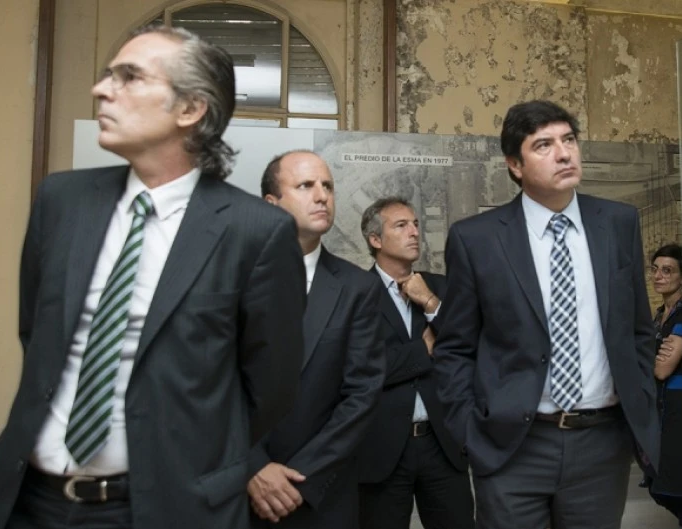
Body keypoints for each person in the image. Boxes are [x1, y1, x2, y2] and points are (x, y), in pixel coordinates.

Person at [0, 25, 306, 529]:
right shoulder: (61, 201)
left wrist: (196, 457)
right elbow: (36, 333)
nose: (101, 89)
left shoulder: (255, 231)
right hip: (29, 500)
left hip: (166, 507)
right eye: (109, 74)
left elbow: (270, 387)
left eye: (129, 77)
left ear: (190, 108)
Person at [433, 100, 659, 529]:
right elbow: (455, 348)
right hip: (511, 444)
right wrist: (470, 431)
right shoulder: (477, 239)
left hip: (601, 443)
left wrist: (641, 402)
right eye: (544, 145)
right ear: (515, 165)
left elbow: (637, 330)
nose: (564, 153)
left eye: (569, 140)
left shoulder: (618, 222)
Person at [249, 150, 385, 528]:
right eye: (306, 185)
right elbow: (209, 382)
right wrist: (253, 466)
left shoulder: (357, 289)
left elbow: (362, 395)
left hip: (319, 495)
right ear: (271, 204)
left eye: (328, 186)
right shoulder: (229, 276)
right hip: (236, 490)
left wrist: (299, 479)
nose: (322, 196)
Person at [357, 197, 474, 529]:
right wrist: (425, 350)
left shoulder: (442, 287)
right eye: (401, 225)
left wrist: (431, 304)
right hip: (382, 450)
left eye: (416, 224)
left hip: (443, 445)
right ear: (375, 239)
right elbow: (366, 368)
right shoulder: (356, 293)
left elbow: (469, 346)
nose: (414, 232)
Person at [646, 243, 682, 527]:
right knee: (659, 484)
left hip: (680, 412)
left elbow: (662, 368)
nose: (658, 276)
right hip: (660, 410)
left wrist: (640, 361)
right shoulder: (660, 315)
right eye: (655, 269)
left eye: (667, 270)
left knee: (676, 488)